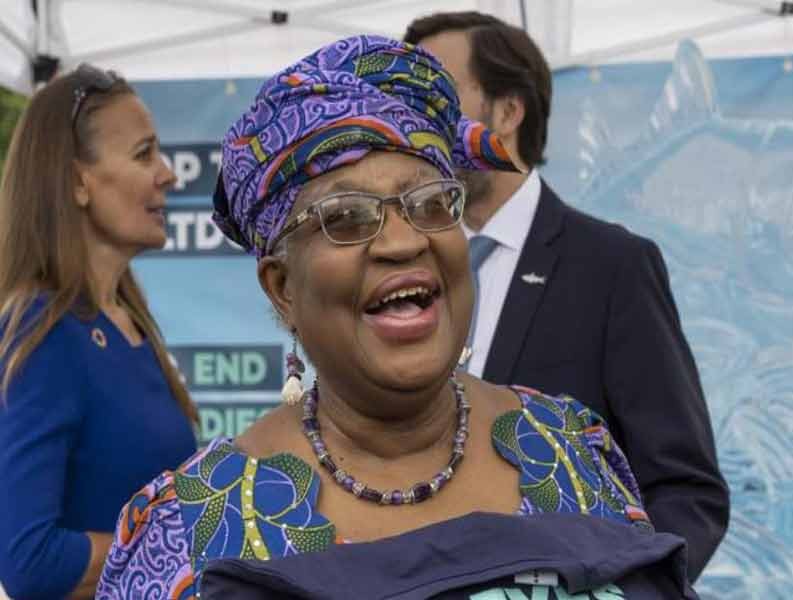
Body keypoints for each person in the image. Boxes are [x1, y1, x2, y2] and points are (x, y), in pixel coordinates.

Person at [97, 36, 697, 599]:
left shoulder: (569, 449)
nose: (404, 242)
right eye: (349, 217)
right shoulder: (191, 528)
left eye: (431, 203)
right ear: (282, 288)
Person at [403, 12, 729, 581]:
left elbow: (685, 488)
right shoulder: (400, 269)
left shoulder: (611, 266)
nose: (413, 118)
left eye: (438, 93)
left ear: (507, 113)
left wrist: (624, 590)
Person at [0, 64, 198, 599]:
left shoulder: (127, 320)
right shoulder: (42, 332)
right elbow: (28, 559)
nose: (168, 174)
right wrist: (186, 547)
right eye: (143, 154)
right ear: (75, 182)